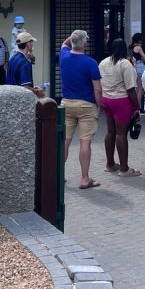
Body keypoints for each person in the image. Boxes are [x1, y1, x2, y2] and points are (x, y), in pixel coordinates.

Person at [60, 30, 103, 189]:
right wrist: (99, 105)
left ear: (71, 41)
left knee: (64, 141)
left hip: (67, 104)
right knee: (85, 142)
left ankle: (58, 176)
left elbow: (64, 44)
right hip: (86, 105)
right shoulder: (90, 62)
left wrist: (72, 37)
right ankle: (85, 178)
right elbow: (97, 89)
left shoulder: (63, 56)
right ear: (85, 44)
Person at [98, 38, 141, 177]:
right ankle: (124, 168)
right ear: (125, 50)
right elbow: (131, 89)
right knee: (121, 134)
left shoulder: (103, 62)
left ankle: (110, 164)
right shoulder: (125, 64)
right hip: (121, 101)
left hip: (106, 100)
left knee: (110, 131)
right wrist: (137, 106)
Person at [6, 31, 45, 96]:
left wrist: (33, 88)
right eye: (31, 42)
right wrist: (38, 92)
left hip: (10, 98)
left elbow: (18, 82)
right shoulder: (25, 63)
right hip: (20, 101)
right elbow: (25, 88)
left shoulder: (12, 59)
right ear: (28, 44)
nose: (32, 44)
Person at [131, 33, 145, 108]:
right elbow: (144, 57)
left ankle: (136, 105)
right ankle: (138, 106)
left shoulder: (131, 47)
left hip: (133, 67)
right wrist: (144, 58)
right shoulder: (138, 47)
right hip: (140, 66)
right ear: (139, 40)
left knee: (136, 88)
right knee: (140, 89)